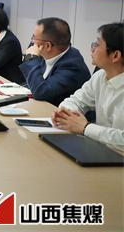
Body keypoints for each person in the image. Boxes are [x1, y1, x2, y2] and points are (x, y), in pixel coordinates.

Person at [52, 23, 124, 153]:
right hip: (100, 151)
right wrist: (65, 115)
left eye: (97, 44)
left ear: (115, 56)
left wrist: (85, 127)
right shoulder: (100, 76)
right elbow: (76, 100)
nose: (92, 49)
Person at [19, 17, 90, 106]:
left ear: (47, 46)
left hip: (56, 111)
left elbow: (41, 92)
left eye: (34, 38)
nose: (32, 42)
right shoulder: (46, 54)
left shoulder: (72, 66)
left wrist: (31, 58)